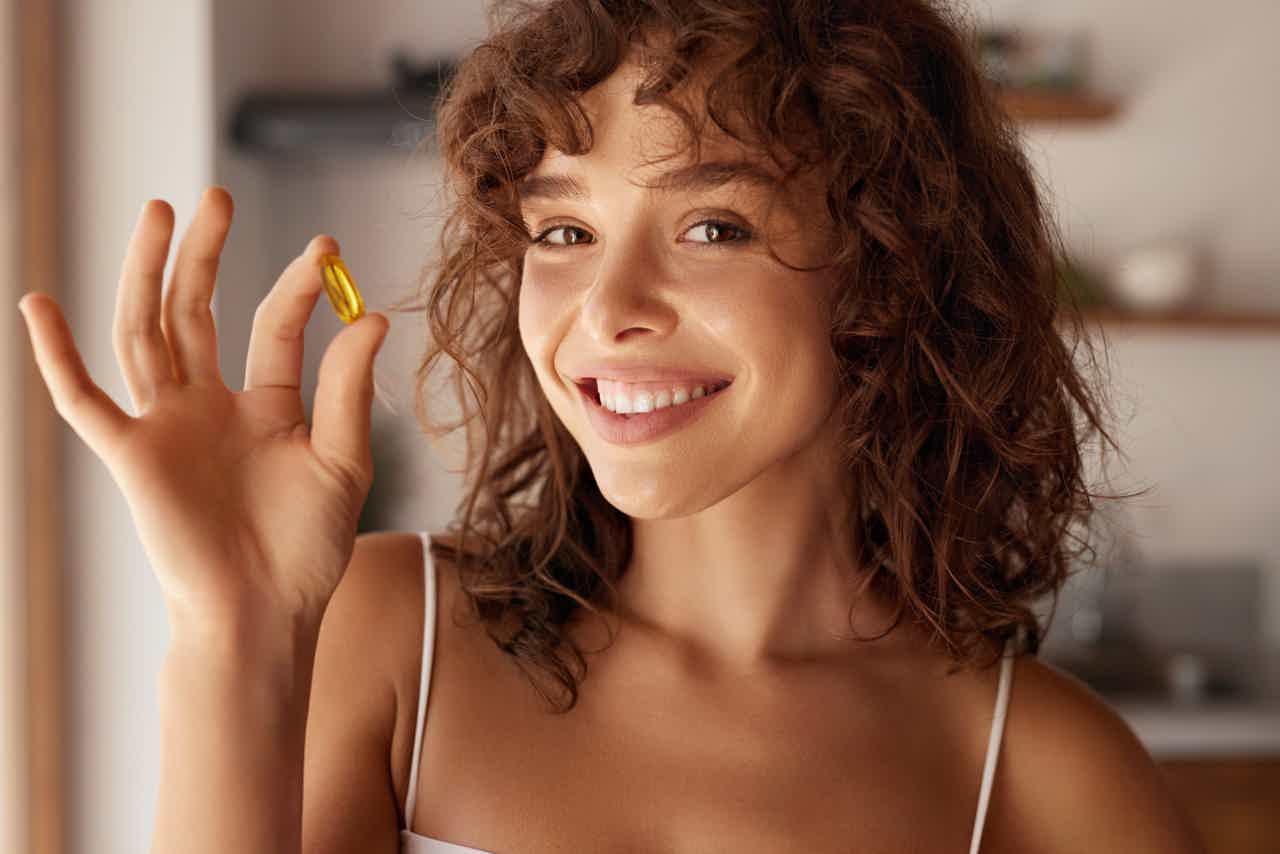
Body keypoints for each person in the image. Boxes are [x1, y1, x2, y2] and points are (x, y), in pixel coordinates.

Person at [17, 1, 1206, 852]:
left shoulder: (1041, 774)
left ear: (887, 277)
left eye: (712, 228)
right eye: (563, 231)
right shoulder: (395, 639)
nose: (606, 309)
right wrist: (232, 627)